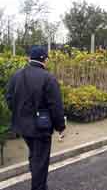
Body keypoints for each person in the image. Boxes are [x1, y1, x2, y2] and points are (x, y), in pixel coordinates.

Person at [6, 46, 66, 190]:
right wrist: (60, 126)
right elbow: (55, 105)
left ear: (29, 58)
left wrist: (20, 113)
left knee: (35, 156)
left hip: (23, 126)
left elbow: (9, 98)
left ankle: (39, 183)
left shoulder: (17, 75)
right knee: (40, 162)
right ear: (44, 59)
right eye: (46, 59)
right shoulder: (48, 78)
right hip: (41, 127)